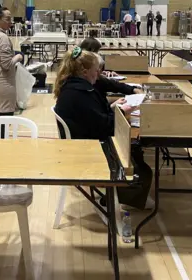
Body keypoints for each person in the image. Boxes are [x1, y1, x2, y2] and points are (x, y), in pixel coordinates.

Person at [54, 47, 153, 209]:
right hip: (90, 148)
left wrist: (113, 108)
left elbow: (93, 117)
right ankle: (129, 199)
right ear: (85, 72)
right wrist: (122, 112)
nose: (98, 74)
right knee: (141, 166)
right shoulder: (80, 93)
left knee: (136, 149)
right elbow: (105, 126)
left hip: (84, 141)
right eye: (96, 70)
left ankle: (125, 196)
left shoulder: (74, 87)